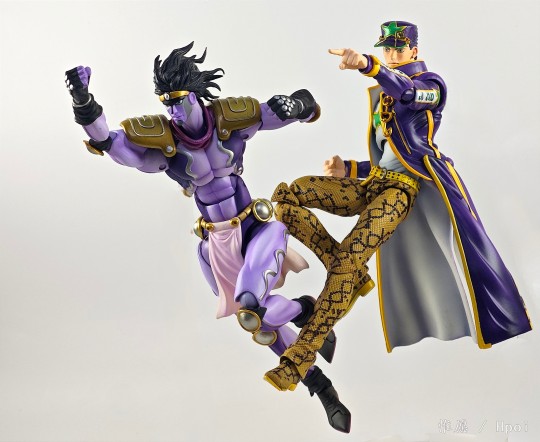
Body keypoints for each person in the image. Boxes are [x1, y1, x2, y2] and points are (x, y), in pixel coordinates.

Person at [65, 42, 351, 432]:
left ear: (195, 96)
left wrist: (300, 106)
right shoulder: (165, 145)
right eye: (166, 102)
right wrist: (84, 102)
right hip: (216, 244)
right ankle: (321, 380)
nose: (172, 110)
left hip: (256, 229)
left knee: (252, 302)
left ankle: (303, 311)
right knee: (258, 325)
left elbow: (279, 110)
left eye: (178, 100)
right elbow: (112, 145)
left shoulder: (229, 120)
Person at [264, 21, 532, 392]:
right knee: (290, 196)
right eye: (387, 48)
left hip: (401, 193)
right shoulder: (382, 92)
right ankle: (347, 272)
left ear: (414, 51)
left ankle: (299, 357)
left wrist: (369, 65)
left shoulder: (432, 86)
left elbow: (409, 95)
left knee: (351, 256)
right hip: (373, 184)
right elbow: (389, 156)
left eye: (398, 48)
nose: (392, 54)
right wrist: (349, 169)